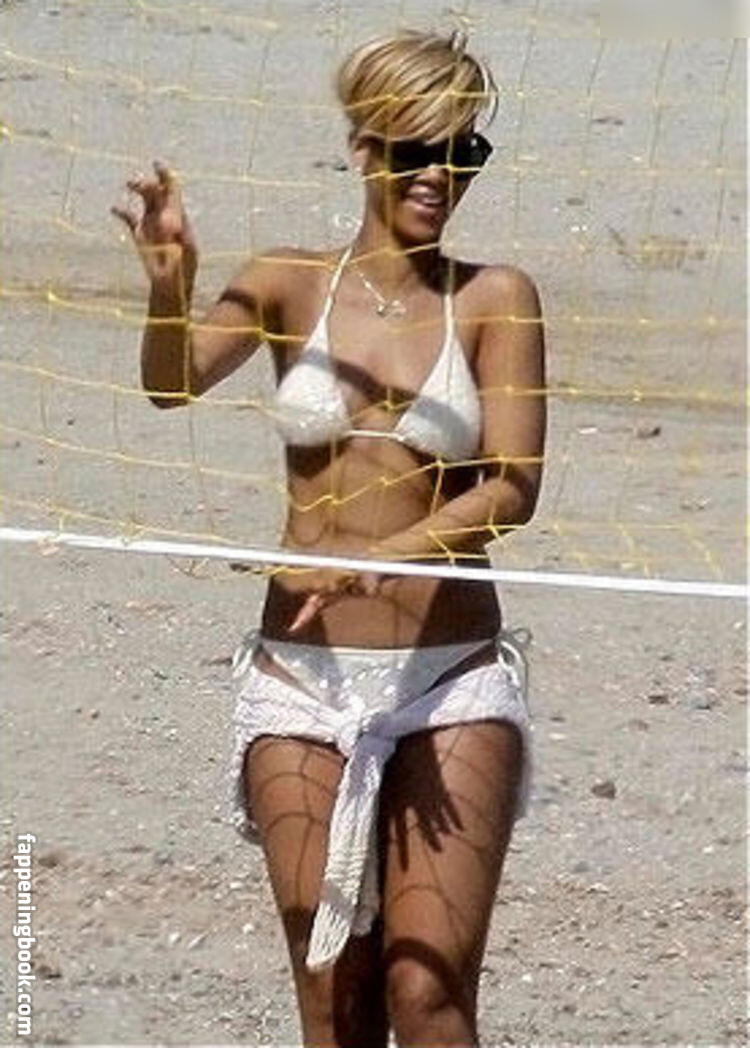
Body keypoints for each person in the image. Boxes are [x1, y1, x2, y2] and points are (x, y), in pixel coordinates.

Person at [113, 28, 545, 1048]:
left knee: (426, 994)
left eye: (463, 151)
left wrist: (376, 558)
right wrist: (170, 287)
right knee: (333, 998)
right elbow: (172, 384)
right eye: (416, 148)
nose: (439, 175)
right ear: (362, 147)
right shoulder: (287, 282)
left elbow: (513, 486)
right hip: (300, 676)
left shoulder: (495, 297)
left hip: (448, 673)